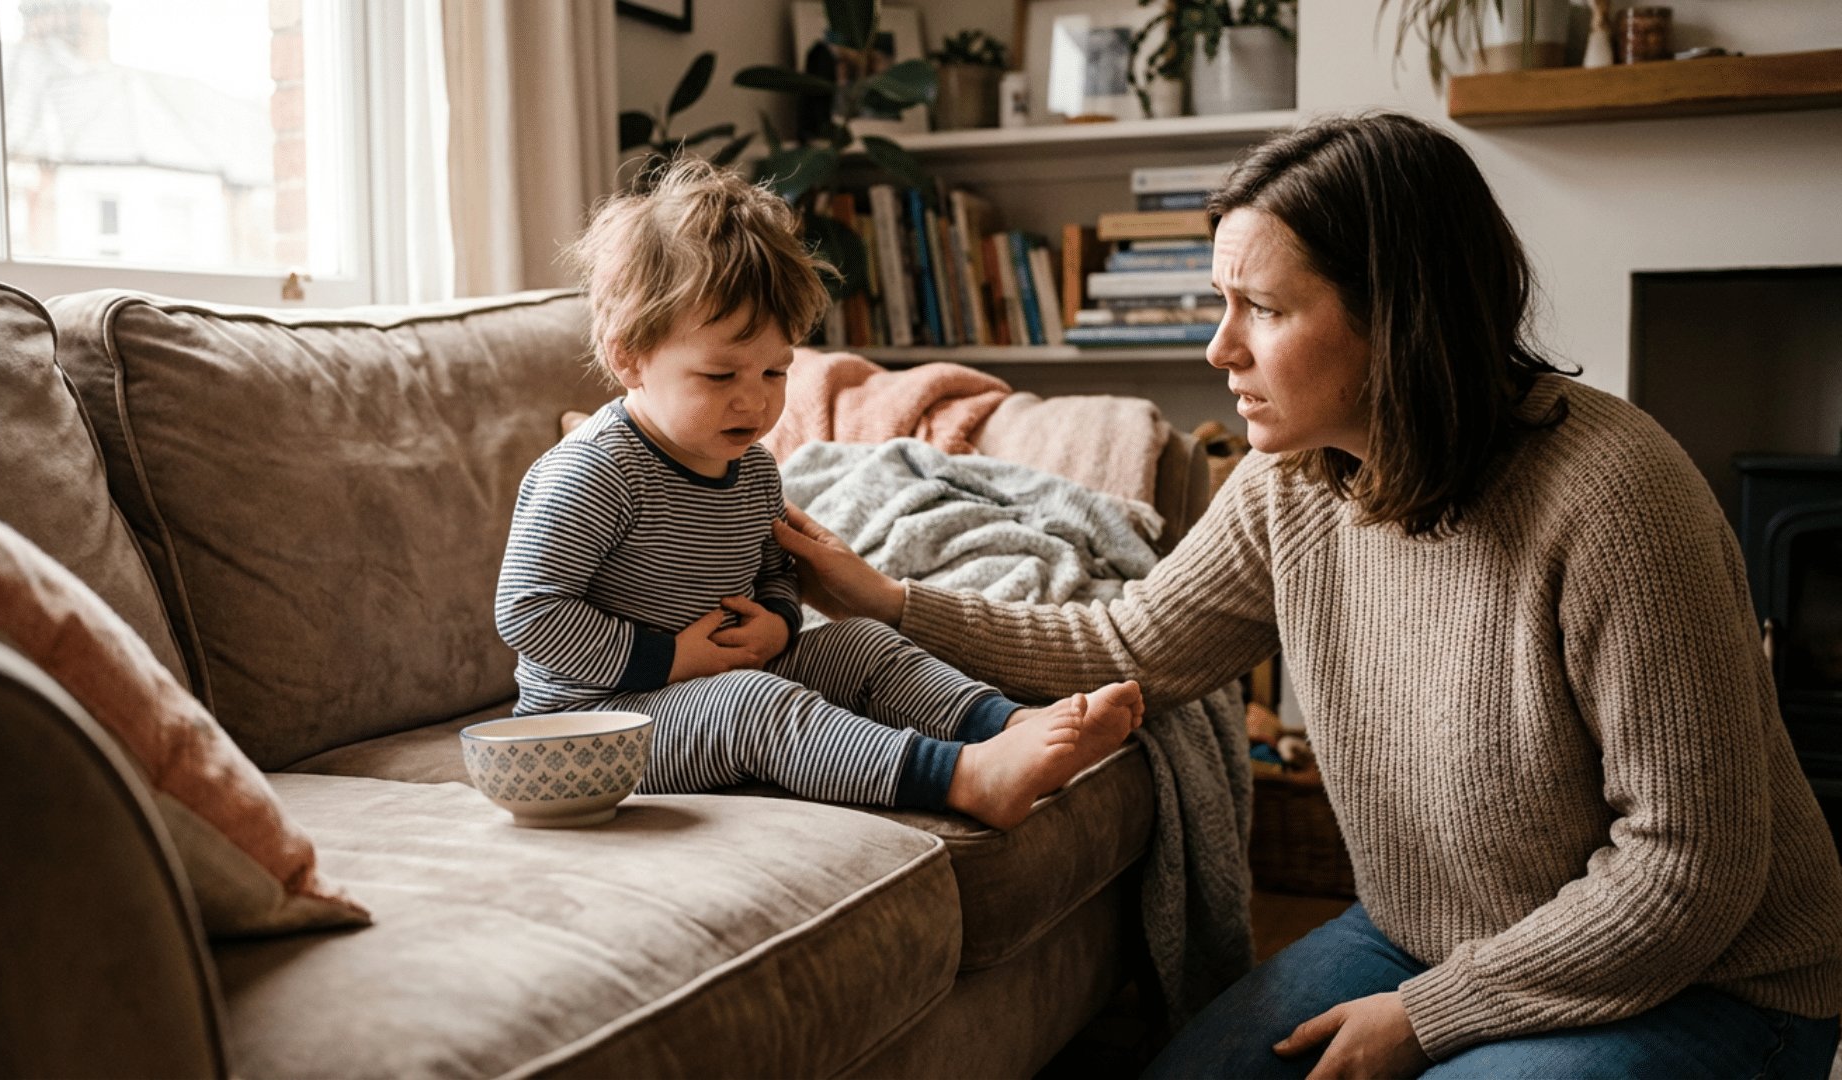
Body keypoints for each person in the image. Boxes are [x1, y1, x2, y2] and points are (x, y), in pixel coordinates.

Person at [774, 113, 1842, 1077]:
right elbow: (1129, 642)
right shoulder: (1294, 480)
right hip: (1419, 933)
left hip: (1714, 982)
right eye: (1219, 302)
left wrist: (1430, 1016)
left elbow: (1688, 869)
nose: (1218, 347)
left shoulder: (1618, 496)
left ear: (1400, 318)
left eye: (1262, 309)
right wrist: (886, 602)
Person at [494, 158, 1142, 830]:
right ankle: (962, 778)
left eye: (776, 370)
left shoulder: (749, 467)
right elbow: (529, 612)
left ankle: (1010, 726)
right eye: (719, 375)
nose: (755, 399)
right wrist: (672, 657)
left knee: (860, 642)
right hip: (594, 725)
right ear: (629, 356)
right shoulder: (596, 472)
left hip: (702, 680)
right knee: (752, 705)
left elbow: (775, 572)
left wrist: (778, 620)